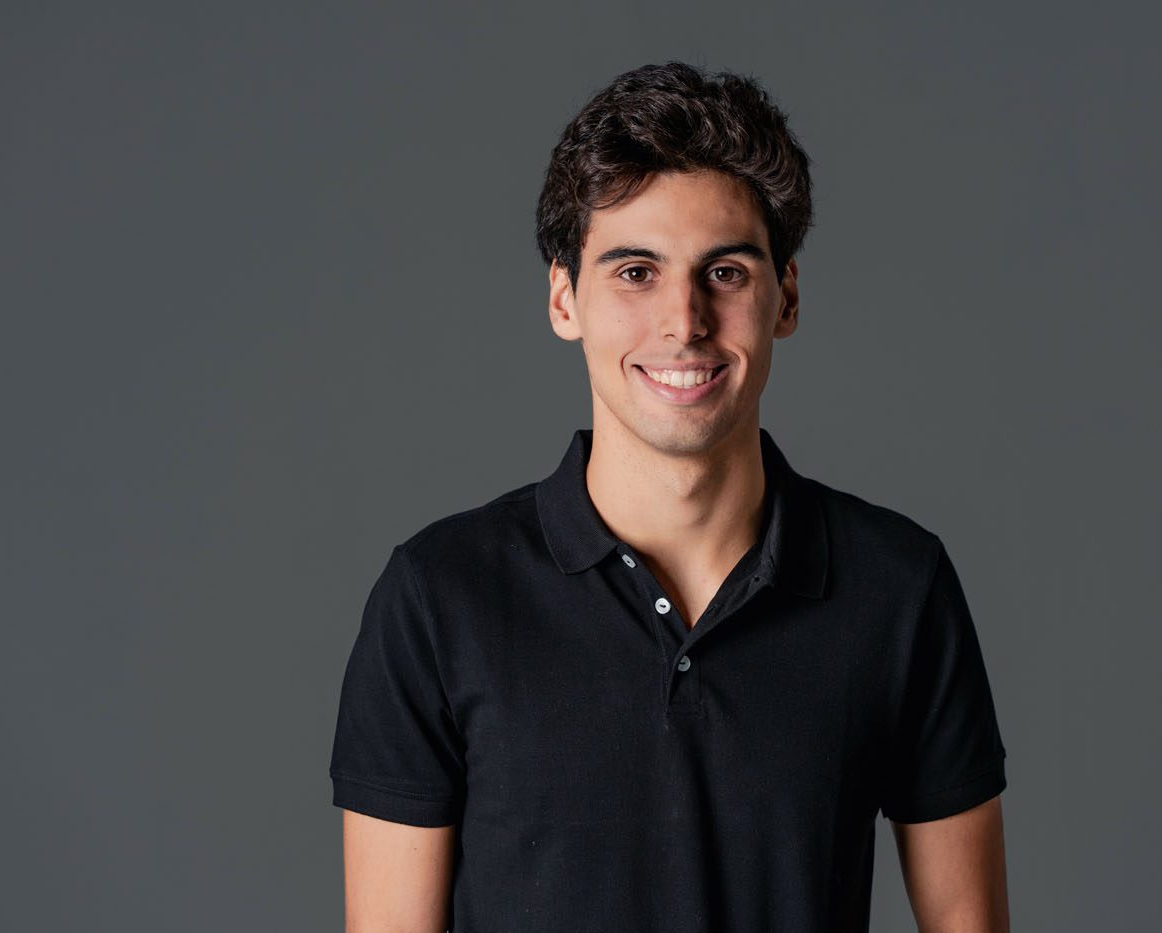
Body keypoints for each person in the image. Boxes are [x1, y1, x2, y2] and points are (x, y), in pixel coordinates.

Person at [329, 60, 1010, 932]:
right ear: (563, 297)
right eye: (635, 272)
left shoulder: (898, 587)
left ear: (785, 296)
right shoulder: (438, 597)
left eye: (723, 272)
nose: (683, 321)